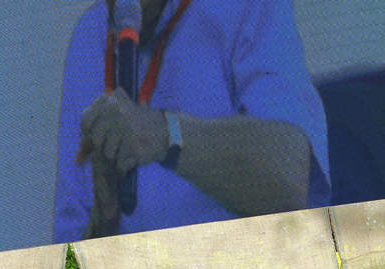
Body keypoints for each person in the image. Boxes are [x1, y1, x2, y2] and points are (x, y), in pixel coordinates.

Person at [53, 0, 330, 242]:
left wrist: (166, 135)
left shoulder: (245, 5)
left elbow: (291, 178)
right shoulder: (89, 36)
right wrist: (104, 218)